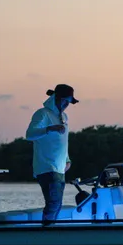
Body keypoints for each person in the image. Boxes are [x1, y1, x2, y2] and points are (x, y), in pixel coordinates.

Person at [25, 84, 79, 225]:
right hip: (46, 167)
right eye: (65, 101)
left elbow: (62, 142)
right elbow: (29, 134)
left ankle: (50, 230)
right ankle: (46, 232)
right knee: (53, 203)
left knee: (57, 204)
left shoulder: (64, 117)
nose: (67, 105)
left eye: (69, 102)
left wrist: (67, 160)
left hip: (60, 168)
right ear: (56, 98)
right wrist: (49, 128)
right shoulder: (42, 114)